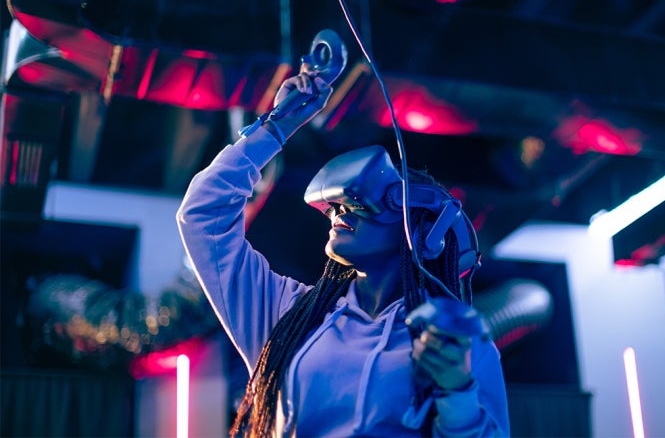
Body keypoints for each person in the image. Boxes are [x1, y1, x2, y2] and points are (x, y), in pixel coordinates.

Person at [176, 59, 511, 437]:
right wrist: (275, 129)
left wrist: (458, 394)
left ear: (424, 234)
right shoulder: (289, 314)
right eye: (337, 204)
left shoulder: (456, 346)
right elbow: (204, 215)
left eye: (366, 202)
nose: (339, 211)